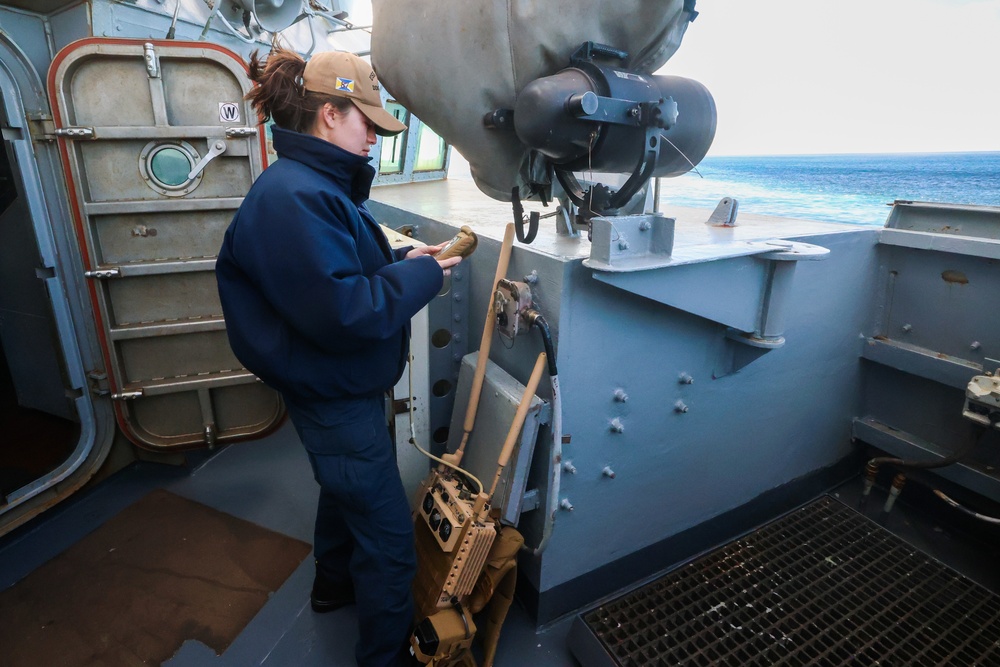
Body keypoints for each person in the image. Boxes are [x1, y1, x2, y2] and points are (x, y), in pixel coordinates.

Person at [215, 46, 460, 667]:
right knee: (386, 538)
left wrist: (400, 264)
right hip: (335, 393)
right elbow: (344, 314)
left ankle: (331, 587)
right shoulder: (296, 197)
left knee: (341, 490)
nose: (375, 141)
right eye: (368, 126)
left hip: (336, 387)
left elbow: (333, 277)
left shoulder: (309, 186)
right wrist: (425, 281)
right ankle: (385, 657)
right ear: (329, 114)